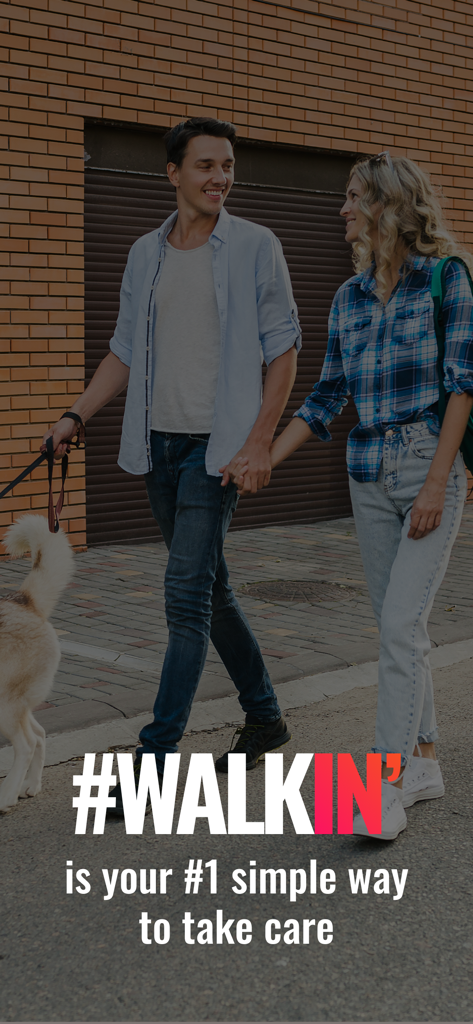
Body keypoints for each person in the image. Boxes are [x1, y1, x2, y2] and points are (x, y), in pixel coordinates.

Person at [44, 117, 301, 812]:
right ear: (173, 172)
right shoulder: (144, 253)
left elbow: (283, 350)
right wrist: (74, 417)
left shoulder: (256, 246)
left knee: (184, 598)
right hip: (158, 446)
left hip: (216, 455)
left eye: (228, 166)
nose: (221, 177)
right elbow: (125, 349)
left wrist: (259, 442)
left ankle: (152, 763)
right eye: (206, 165)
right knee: (211, 589)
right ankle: (265, 716)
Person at [229, 152, 473, 840]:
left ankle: (384, 783)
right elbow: (326, 397)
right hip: (365, 473)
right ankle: (423, 761)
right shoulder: (348, 297)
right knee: (400, 627)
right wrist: (262, 457)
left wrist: (436, 481)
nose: (342, 209)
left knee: (399, 626)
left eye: (353, 196)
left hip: (426, 465)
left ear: (389, 206)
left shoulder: (446, 278)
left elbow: (463, 384)